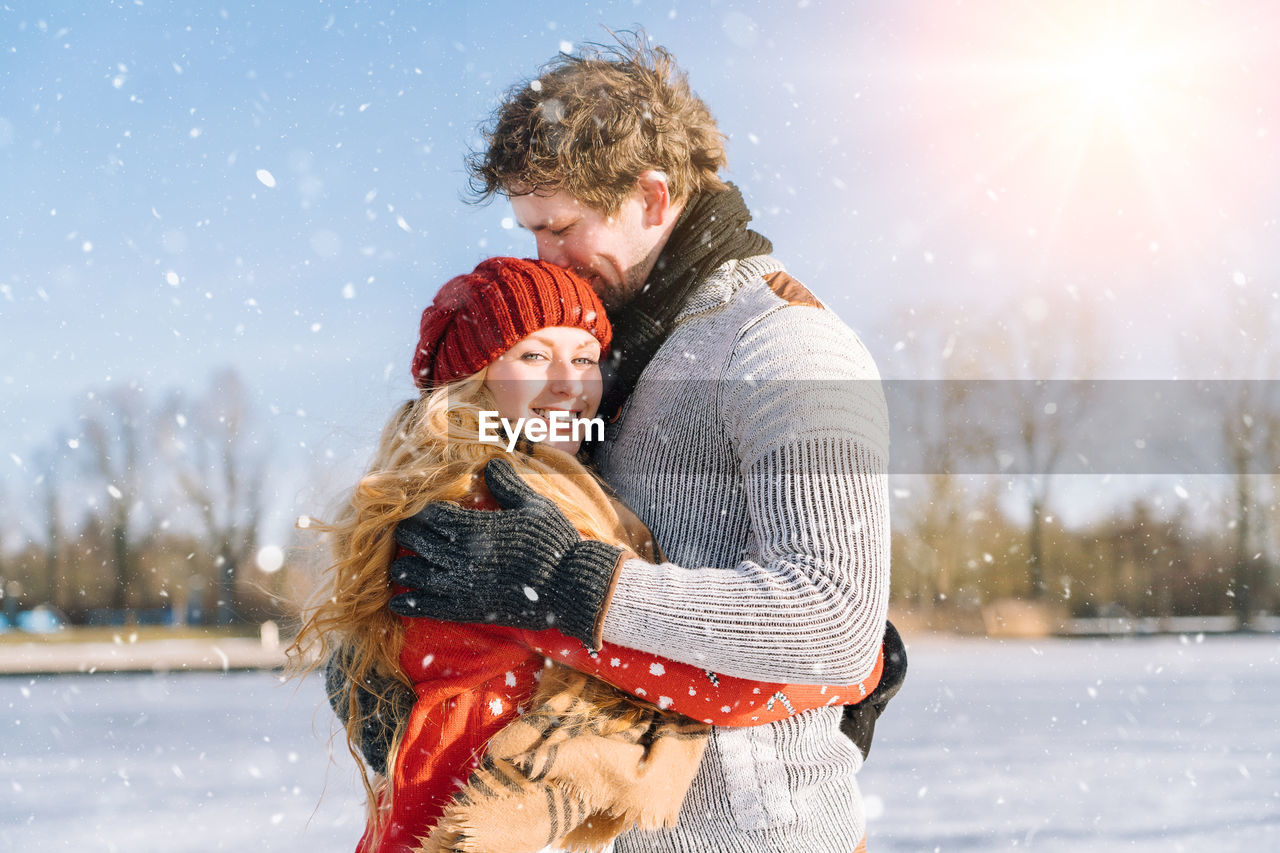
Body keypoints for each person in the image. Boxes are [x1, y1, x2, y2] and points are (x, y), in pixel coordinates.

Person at [381, 36, 903, 853]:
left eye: (560, 229)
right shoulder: (611, 352)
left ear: (654, 199)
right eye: (532, 232)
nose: (545, 258)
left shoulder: (785, 345)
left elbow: (833, 617)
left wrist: (563, 582)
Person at [292, 257, 886, 853]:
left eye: (584, 358)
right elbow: (705, 687)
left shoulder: (444, 485)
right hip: (471, 833)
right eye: (533, 356)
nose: (569, 383)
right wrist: (852, 672)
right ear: (472, 380)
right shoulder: (491, 510)